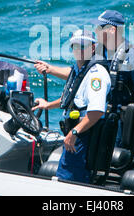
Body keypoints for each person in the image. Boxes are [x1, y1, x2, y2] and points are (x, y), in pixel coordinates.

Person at [34, 10, 134, 147]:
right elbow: (80, 75)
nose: (95, 30)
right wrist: (50, 69)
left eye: (100, 27)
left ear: (112, 30)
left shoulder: (133, 56)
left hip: (116, 122)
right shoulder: (97, 50)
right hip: (93, 119)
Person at [32, 29, 111, 183]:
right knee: (67, 175)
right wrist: (47, 105)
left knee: (68, 179)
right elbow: (72, 99)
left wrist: (74, 132)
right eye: (75, 46)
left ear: (93, 48)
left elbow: (96, 111)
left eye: (83, 46)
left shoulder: (96, 74)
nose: (78, 50)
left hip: (83, 135)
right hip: (76, 132)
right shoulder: (80, 69)